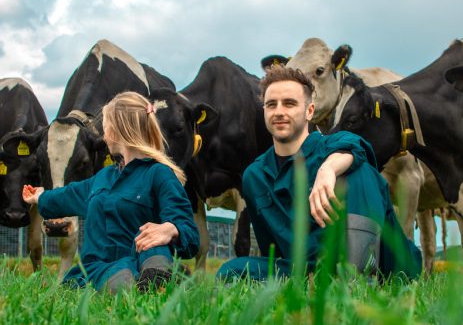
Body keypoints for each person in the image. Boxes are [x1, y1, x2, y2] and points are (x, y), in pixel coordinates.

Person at [216, 66, 421, 280]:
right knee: (231, 271)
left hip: (384, 260)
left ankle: (360, 279)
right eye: (271, 105)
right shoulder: (255, 176)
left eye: (290, 103)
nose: (279, 112)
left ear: (309, 111)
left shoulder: (331, 146)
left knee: (360, 171)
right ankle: (322, 279)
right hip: (308, 268)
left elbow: (358, 146)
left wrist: (328, 169)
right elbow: (272, 251)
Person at [22, 91, 200, 293]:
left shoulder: (159, 174)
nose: (104, 136)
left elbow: (189, 233)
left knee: (154, 247)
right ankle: (142, 284)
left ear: (117, 130)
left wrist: (171, 229)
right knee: (119, 276)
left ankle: (157, 278)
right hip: (101, 268)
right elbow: (68, 195)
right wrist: (40, 196)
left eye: (105, 127)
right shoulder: (103, 178)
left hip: (144, 256)